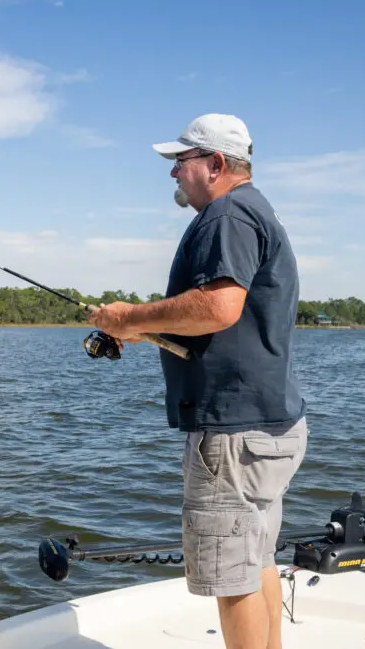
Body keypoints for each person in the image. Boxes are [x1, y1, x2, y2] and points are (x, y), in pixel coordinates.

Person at [89, 113, 308, 649]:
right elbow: (226, 319)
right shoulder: (256, 211)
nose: (173, 175)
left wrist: (129, 319)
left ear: (214, 165)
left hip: (231, 433)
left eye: (180, 163)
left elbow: (219, 306)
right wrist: (151, 329)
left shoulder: (227, 215)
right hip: (268, 426)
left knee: (231, 582)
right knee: (256, 565)